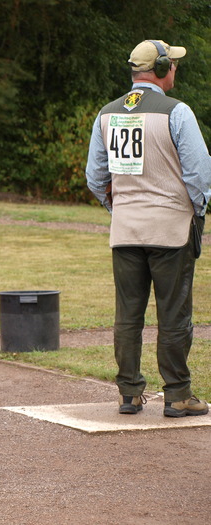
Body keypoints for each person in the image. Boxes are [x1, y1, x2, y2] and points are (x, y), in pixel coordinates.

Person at [86, 40, 211, 417]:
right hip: (170, 231)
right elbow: (199, 175)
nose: (174, 68)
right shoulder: (178, 112)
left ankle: (129, 393)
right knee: (173, 315)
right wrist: (195, 212)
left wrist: (119, 208)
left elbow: (95, 178)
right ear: (160, 69)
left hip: (125, 230)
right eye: (171, 63)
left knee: (128, 314)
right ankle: (177, 394)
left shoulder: (106, 114)